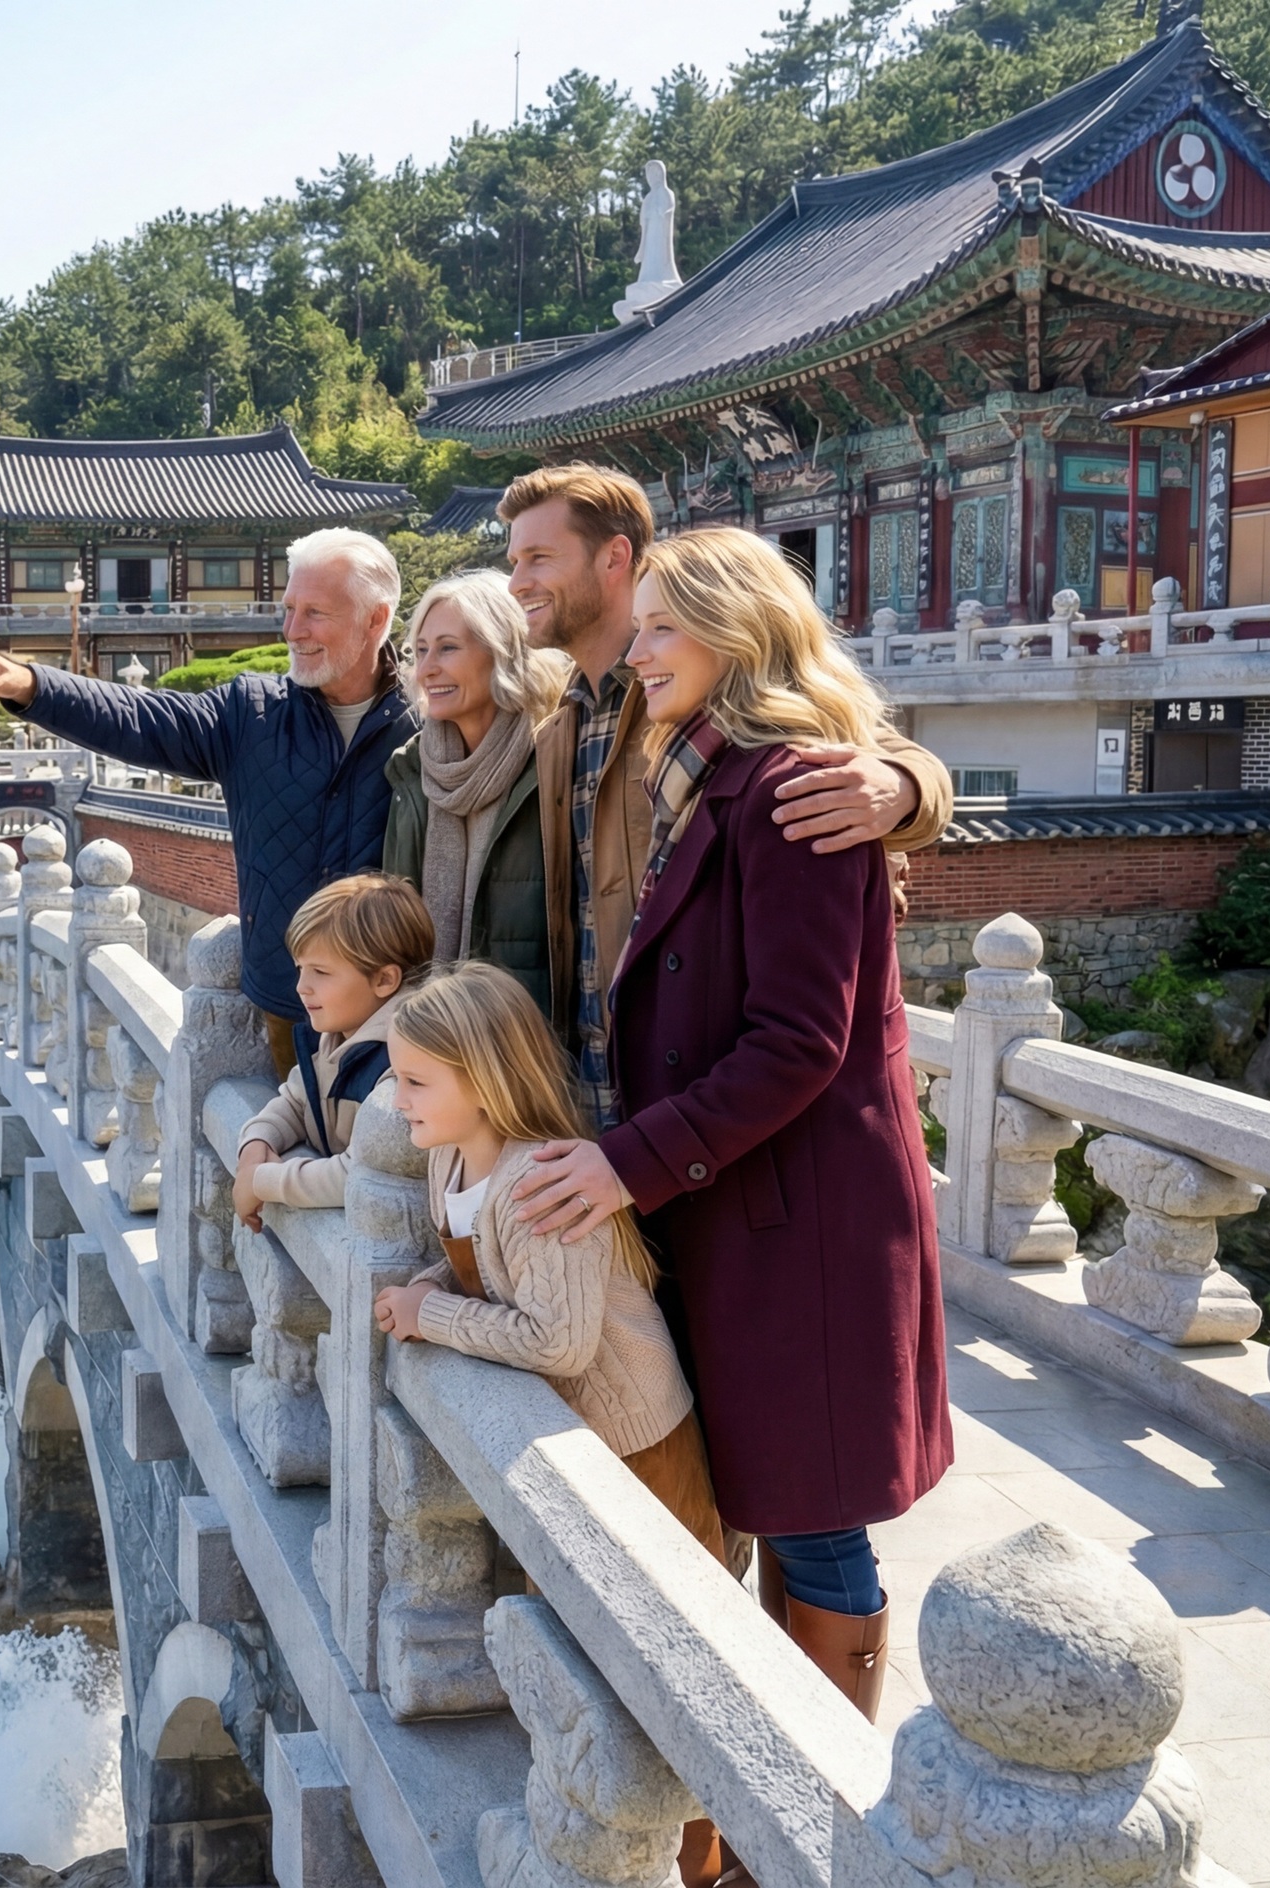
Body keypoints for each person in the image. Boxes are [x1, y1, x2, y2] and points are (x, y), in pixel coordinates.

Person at [509, 526, 953, 1754]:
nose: (638, 651)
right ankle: (751, 1801)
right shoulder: (709, 771)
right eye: (637, 623)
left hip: (798, 1216)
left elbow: (799, 1041)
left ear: (735, 632)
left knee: (811, 1518)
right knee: (766, 1495)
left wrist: (620, 1163)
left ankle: (804, 1815)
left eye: (662, 627)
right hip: (740, 1198)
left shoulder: (791, 785)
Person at [495, 466, 951, 1114]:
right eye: (513, 561)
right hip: (600, 1094)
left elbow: (847, 737)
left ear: (614, 557)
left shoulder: (696, 684)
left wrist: (903, 783)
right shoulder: (561, 723)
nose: (517, 583)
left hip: (701, 1096)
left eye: (538, 557)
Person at [0, 529, 412, 1076]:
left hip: (402, 1013)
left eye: (315, 613)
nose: (292, 630)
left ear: (376, 619)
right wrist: (30, 684)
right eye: (288, 609)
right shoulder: (252, 714)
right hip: (291, 1006)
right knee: (288, 1145)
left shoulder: (428, 726)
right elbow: (142, 718)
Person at [369, 963, 722, 1558]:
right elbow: (485, 1271)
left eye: (416, 1082)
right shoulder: (446, 1158)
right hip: (566, 1439)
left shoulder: (539, 1184)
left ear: (484, 1082)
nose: (398, 1100)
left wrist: (428, 1314)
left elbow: (558, 1342)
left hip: (635, 1447)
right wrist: (426, 1289)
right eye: (396, 1078)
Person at [381, 570, 571, 1015]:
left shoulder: (556, 759)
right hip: (428, 1029)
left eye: (448, 648)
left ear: (504, 652)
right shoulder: (412, 772)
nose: (427, 668)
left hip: (527, 1037)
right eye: (421, 650)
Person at [232, 873, 433, 1231]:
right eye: (300, 969)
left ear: (385, 980)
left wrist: (264, 1181)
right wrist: (255, 1145)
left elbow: (362, 1172)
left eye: (321, 972)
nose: (301, 987)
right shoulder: (335, 1035)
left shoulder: (407, 1062)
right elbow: (294, 1102)